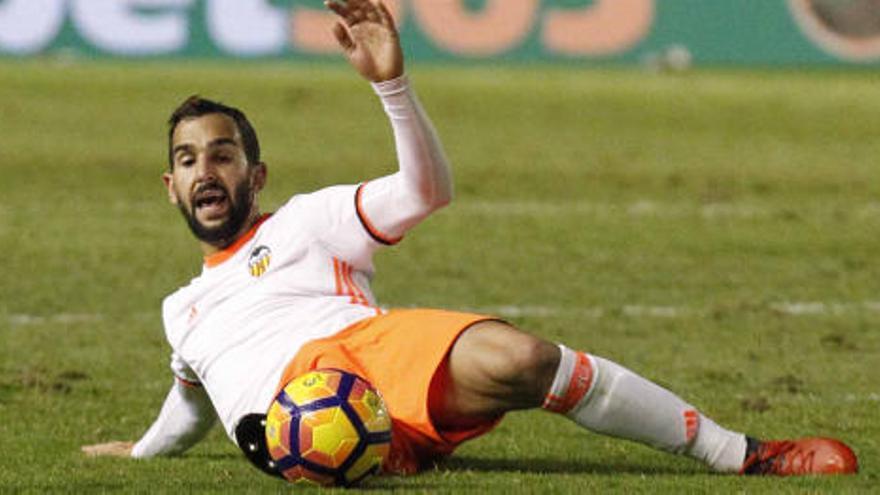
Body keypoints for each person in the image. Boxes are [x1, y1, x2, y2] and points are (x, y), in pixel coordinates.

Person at [82, 0, 858, 478]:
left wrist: (392, 85)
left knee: (528, 359)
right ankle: (347, 452)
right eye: (187, 160)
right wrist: (140, 454)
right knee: (288, 428)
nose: (205, 170)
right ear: (171, 186)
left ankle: (744, 452)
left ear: (256, 175)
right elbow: (190, 404)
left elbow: (426, 192)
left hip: (373, 359)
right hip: (290, 422)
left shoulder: (308, 220)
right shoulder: (180, 309)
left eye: (223, 153)